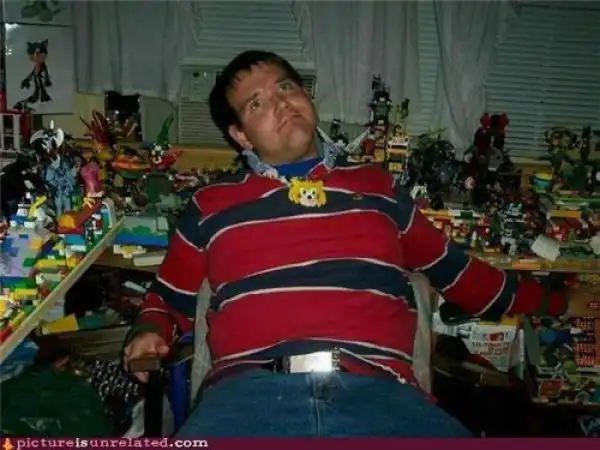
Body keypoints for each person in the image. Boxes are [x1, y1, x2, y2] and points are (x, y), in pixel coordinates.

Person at [123, 50, 569, 437]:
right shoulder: (210, 206)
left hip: (383, 398)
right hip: (247, 400)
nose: (281, 104)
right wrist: (148, 332)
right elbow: (167, 300)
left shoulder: (378, 189)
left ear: (306, 95)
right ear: (240, 135)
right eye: (257, 104)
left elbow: (460, 275)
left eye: (286, 87)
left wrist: (557, 302)